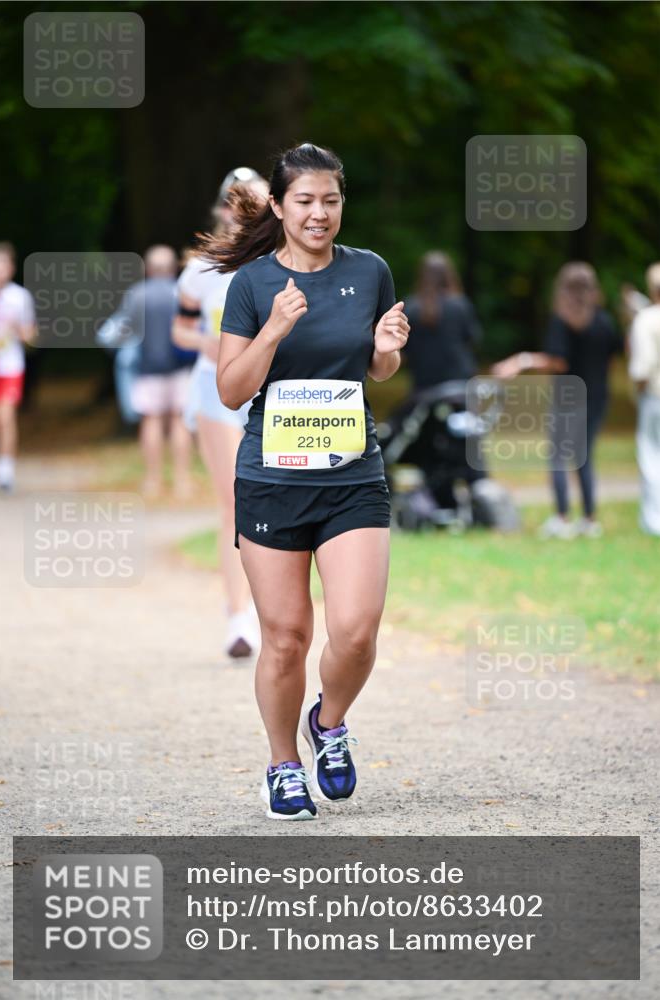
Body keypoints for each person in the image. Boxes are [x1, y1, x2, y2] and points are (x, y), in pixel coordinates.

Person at [199, 142, 409, 820]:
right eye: (305, 201)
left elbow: (376, 371)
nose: (319, 213)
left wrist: (384, 352)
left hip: (351, 475)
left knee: (355, 630)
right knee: (285, 637)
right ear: (281, 208)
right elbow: (231, 390)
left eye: (331, 200)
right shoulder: (253, 285)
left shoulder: (369, 270)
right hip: (270, 479)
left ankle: (330, 722)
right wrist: (273, 331)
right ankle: (282, 765)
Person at [172, 168, 269, 660]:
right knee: (234, 501)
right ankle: (238, 617)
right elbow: (179, 332)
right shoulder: (201, 269)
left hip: (266, 394)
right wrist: (207, 343)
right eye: (239, 201)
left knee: (269, 500)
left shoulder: (277, 262)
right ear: (226, 208)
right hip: (213, 392)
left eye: (257, 200)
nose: (247, 209)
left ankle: (270, 609)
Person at [492, 262, 622, 539]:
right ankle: (589, 519)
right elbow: (612, 359)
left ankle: (562, 517)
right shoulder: (603, 321)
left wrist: (521, 360)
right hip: (598, 395)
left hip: (569, 397)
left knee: (558, 456)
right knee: (584, 457)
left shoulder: (562, 321)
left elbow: (558, 361)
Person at [125, 245, 193, 499]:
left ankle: (152, 480)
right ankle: (182, 480)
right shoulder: (182, 293)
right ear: (174, 267)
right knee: (179, 421)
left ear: (148, 269)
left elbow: (125, 329)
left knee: (151, 420)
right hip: (181, 368)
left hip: (147, 369)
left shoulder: (137, 294)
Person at [403, 251, 482, 390]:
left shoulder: (410, 307)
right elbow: (473, 339)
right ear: (449, 275)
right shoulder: (460, 304)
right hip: (460, 382)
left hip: (423, 383)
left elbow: (404, 348)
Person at [0, 242, 36, 492]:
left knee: (6, 416)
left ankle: (5, 470)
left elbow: (29, 334)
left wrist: (21, 332)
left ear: (11, 268)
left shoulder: (20, 297)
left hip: (9, 366)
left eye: (1, 265)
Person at [628, 263, 660, 536]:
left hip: (655, 397)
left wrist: (638, 392)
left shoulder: (647, 319)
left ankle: (654, 521)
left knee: (651, 457)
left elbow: (643, 366)